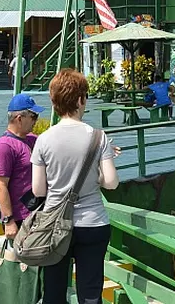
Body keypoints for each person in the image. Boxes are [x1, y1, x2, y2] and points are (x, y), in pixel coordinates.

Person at [32, 69, 119, 304]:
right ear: (81, 100)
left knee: (53, 292)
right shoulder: (98, 137)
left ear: (54, 102)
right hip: (93, 222)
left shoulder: (43, 140)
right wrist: (96, 174)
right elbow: (111, 182)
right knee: (90, 294)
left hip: (54, 225)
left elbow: (38, 190)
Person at [0, 94, 42, 239]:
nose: (35, 121)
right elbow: (0, 185)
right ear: (19, 118)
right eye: (33, 117)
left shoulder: (32, 139)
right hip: (19, 218)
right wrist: (8, 220)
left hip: (36, 212)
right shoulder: (4, 146)